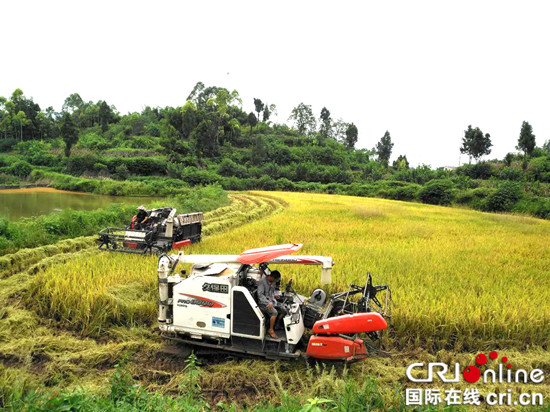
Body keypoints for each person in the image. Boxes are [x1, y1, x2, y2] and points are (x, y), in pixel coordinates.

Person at [257, 266, 282, 339]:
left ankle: (277, 325)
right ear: (271, 277)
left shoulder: (272, 282)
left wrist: (275, 296)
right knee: (274, 313)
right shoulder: (262, 282)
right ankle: (270, 330)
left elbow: (272, 292)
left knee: (283, 309)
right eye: (275, 280)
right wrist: (268, 303)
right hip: (263, 303)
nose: (275, 282)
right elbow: (260, 295)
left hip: (271, 301)